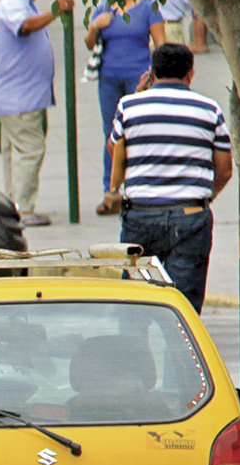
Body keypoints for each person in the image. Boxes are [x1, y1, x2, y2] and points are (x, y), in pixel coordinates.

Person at [100, 43, 233, 311]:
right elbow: (224, 169)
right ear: (190, 74)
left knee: (137, 305)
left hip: (141, 216)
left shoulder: (129, 106)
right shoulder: (209, 110)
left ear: (152, 72)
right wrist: (206, 195)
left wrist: (139, 93)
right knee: (184, 306)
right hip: (190, 217)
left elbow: (115, 151)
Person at [0, 0, 72, 227]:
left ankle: (15, 205)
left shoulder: (22, 2)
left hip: (21, 97)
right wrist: (55, 11)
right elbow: (25, 26)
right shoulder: (13, 4)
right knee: (29, 150)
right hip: (20, 98)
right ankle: (23, 208)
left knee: (16, 152)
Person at [86, 0, 165, 214]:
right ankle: (111, 191)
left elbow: (161, 45)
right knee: (111, 133)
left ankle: (141, 188)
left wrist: (154, 77)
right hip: (109, 78)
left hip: (137, 77)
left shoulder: (148, 8)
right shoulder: (105, 7)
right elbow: (90, 44)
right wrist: (95, 27)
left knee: (139, 132)